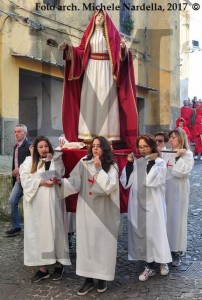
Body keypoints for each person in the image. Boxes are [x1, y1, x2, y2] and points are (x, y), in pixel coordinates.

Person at [59, 10, 138, 148]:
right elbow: (81, 51)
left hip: (106, 70)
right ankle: (88, 137)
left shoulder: (113, 35)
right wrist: (68, 49)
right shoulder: (89, 35)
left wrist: (123, 49)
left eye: (102, 16)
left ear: (106, 19)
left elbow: (120, 53)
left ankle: (108, 137)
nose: (99, 18)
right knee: (89, 100)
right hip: (91, 69)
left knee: (107, 100)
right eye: (97, 16)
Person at [58, 136, 120, 295]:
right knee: (86, 245)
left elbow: (107, 187)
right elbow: (74, 182)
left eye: (99, 146)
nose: (95, 148)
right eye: (93, 146)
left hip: (104, 214)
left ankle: (102, 278)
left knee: (102, 245)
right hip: (86, 211)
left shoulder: (112, 166)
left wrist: (99, 169)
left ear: (105, 149)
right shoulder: (84, 162)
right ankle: (87, 279)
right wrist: (59, 183)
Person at [120, 134, 172, 282]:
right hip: (138, 204)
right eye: (140, 147)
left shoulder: (160, 162)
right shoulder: (137, 162)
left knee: (157, 231)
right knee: (144, 233)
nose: (142, 150)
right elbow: (126, 182)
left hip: (154, 204)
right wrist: (130, 164)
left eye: (145, 147)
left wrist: (151, 162)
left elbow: (153, 181)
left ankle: (163, 261)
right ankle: (149, 265)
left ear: (152, 147)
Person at [19, 136, 71, 282]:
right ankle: (43, 269)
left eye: (46, 146)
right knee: (38, 235)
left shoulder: (55, 160)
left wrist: (51, 168)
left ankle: (59, 265)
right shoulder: (29, 161)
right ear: (36, 148)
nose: (44, 149)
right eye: (40, 146)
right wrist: (41, 182)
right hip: (36, 205)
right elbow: (25, 180)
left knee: (56, 231)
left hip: (52, 202)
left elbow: (60, 174)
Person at [162, 128, 194, 266]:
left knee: (177, 219)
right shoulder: (165, 152)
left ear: (181, 138)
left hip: (179, 189)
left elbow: (182, 172)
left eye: (173, 137)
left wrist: (177, 157)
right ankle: (165, 248)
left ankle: (177, 251)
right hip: (166, 189)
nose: (171, 140)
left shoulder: (188, 154)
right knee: (166, 218)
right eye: (170, 138)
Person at [5, 124, 32, 237]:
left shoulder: (30, 146)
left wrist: (19, 169)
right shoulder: (16, 146)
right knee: (12, 201)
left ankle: (32, 227)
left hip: (28, 181)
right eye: (15, 131)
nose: (16, 134)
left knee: (30, 204)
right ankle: (16, 227)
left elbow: (34, 162)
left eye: (19, 131)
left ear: (25, 133)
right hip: (18, 181)